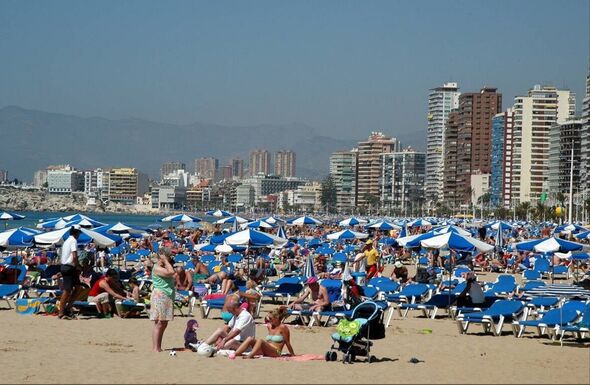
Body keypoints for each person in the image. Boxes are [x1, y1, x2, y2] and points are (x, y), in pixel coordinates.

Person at [229, 307, 294, 359]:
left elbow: (287, 343)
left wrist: (293, 354)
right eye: (269, 318)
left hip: (276, 352)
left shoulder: (283, 327)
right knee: (250, 339)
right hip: (265, 350)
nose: (270, 320)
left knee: (260, 340)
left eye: (271, 318)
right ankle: (236, 354)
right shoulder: (270, 326)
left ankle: (250, 356)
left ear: (277, 318)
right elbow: (266, 319)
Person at [150, 248, 176, 352]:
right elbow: (171, 272)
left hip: (167, 296)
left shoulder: (163, 267)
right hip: (160, 295)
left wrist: (166, 262)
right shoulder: (157, 268)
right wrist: (165, 260)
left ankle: (158, 346)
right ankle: (156, 348)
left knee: (164, 323)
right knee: (160, 323)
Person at [58, 226, 83, 320]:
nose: (79, 235)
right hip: (69, 267)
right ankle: (61, 312)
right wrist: (78, 266)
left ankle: (67, 309)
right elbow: (74, 255)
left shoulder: (66, 241)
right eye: (79, 233)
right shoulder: (73, 241)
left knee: (78, 287)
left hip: (66, 266)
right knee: (67, 290)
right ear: (76, 233)